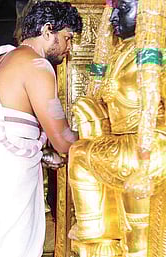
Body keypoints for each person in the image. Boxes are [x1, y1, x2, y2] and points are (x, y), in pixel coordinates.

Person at [0, 1, 82, 256]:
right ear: (47, 31)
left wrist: (41, 155)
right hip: (0, 169)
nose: (69, 48)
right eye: (67, 38)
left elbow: (11, 126)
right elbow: (63, 140)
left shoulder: (4, 58)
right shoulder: (37, 65)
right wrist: (102, 138)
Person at [68, 0, 166, 255]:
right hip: (124, 142)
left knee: (138, 237)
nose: (113, 19)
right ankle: (94, 237)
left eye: (121, 9)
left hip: (152, 145)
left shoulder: (157, 51)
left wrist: (147, 157)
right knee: (78, 152)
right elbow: (99, 98)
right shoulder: (121, 52)